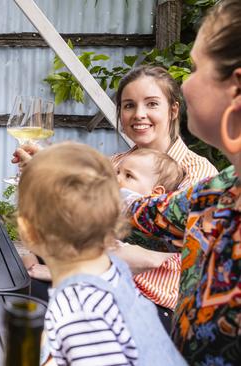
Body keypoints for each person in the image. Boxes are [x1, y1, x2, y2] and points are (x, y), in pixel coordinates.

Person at [19, 66, 218, 329]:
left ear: (172, 111)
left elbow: (157, 254)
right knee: (14, 284)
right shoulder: (114, 164)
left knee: (32, 304)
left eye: (152, 104)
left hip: (154, 304)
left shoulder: (198, 173)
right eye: (128, 105)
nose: (139, 114)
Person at [123, 1, 241, 363]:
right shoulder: (220, 190)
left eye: (194, 68)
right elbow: (140, 208)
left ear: (236, 89)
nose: (185, 83)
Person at [17, 142, 186, 365]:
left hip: (156, 308)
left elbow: (138, 258)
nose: (117, 179)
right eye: (116, 172)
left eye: (128, 175)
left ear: (157, 194)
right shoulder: (122, 217)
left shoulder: (156, 230)